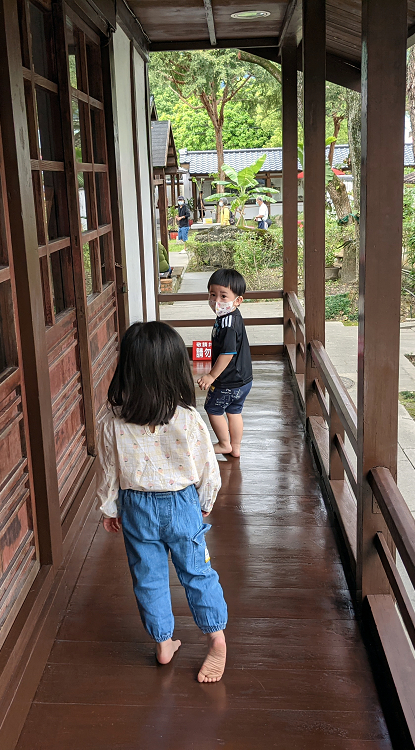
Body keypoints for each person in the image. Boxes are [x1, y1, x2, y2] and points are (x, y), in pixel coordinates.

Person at [96, 321, 228, 683]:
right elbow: (207, 468)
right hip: (181, 504)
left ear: (127, 369)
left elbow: (109, 470)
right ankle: (216, 638)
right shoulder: (187, 418)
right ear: (174, 370)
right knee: (197, 572)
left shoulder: (113, 421)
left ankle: (163, 643)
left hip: (136, 506)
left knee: (148, 577)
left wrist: (110, 508)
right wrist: (206, 502)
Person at [197, 268, 252, 458]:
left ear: (238, 300)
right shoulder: (230, 317)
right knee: (234, 411)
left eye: (223, 296)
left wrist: (212, 375)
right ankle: (235, 447)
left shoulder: (228, 324)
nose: (217, 301)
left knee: (213, 408)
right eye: (213, 295)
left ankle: (224, 443)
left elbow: (228, 353)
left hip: (227, 381)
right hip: (243, 380)